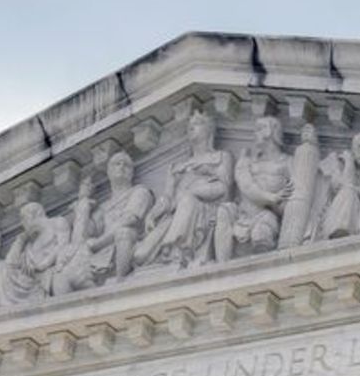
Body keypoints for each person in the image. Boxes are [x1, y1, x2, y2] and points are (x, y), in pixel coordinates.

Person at [135, 111, 234, 268]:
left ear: (209, 130)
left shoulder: (221, 157)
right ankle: (170, 250)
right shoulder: (176, 167)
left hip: (203, 210)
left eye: (198, 123)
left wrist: (195, 190)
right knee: (140, 256)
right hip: (174, 216)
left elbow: (224, 189)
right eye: (189, 125)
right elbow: (167, 197)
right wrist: (153, 214)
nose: (191, 127)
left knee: (188, 200)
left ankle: (177, 252)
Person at [215, 116, 290, 262]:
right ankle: (220, 268)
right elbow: (246, 186)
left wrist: (281, 204)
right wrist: (272, 197)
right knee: (224, 210)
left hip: (265, 215)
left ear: (270, 131)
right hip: (240, 214)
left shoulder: (287, 162)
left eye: (259, 129)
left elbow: (293, 196)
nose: (254, 134)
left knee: (261, 233)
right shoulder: (247, 162)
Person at [74, 152, 153, 281]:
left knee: (124, 232)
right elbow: (82, 238)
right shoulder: (104, 207)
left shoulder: (140, 192)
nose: (121, 167)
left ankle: (121, 280)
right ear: (109, 172)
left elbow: (128, 220)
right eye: (117, 164)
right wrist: (83, 203)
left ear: (132, 173)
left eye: (126, 165)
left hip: (128, 246)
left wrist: (98, 243)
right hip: (103, 253)